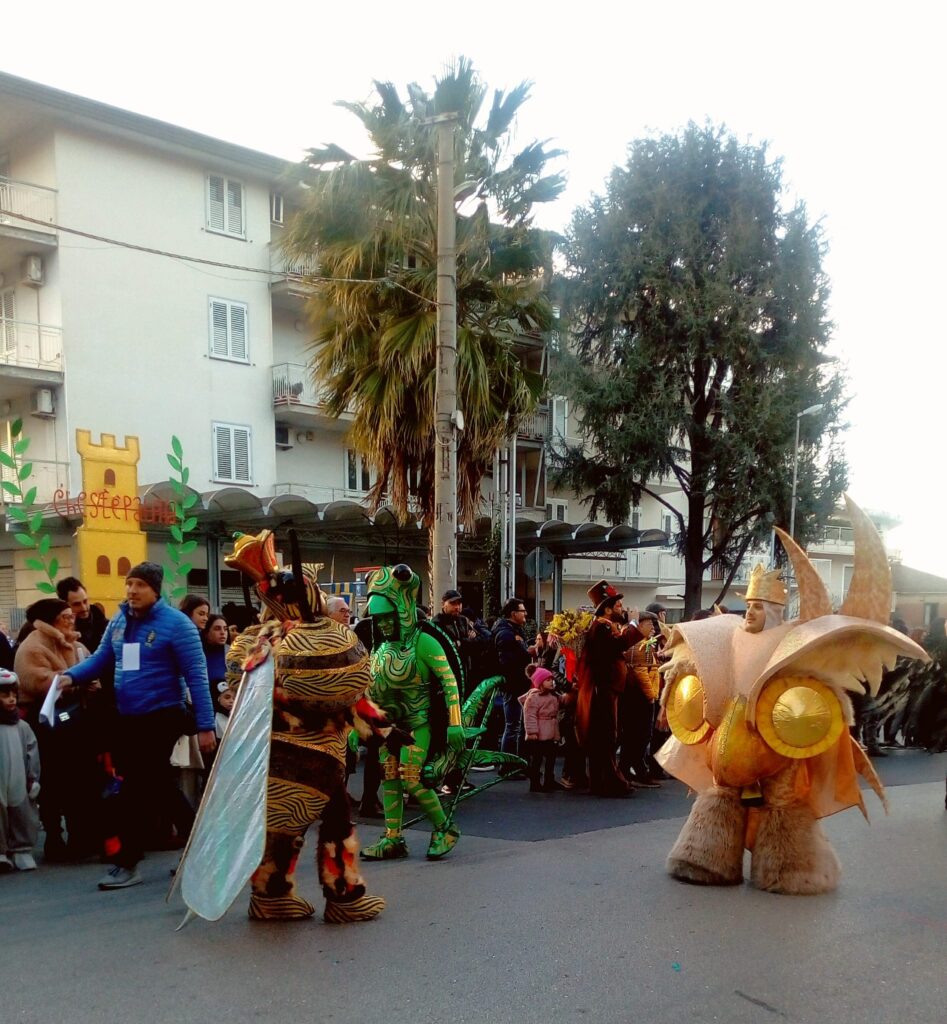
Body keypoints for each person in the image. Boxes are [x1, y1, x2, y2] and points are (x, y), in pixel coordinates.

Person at [61, 562, 215, 891]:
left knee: (135, 787)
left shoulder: (177, 625)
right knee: (158, 784)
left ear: (155, 590)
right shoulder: (119, 621)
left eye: (139, 585)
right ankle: (201, 848)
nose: (132, 591)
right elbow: (101, 658)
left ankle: (128, 862)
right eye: (129, 584)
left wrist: (205, 726)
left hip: (163, 715)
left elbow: (197, 677)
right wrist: (70, 676)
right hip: (128, 716)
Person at [13, 598, 93, 861]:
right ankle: (55, 839)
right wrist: (75, 680)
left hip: (76, 719)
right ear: (50, 620)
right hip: (45, 721)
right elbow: (37, 680)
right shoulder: (33, 646)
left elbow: (92, 669)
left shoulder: (76, 644)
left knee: (79, 781)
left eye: (72, 615)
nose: (72, 619)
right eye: (65, 616)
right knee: (53, 781)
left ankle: (80, 837)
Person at [575, 580, 638, 798]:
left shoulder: (603, 625)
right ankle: (609, 782)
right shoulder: (601, 627)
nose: (623, 608)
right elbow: (613, 648)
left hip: (607, 690)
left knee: (605, 737)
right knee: (605, 737)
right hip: (602, 691)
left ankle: (602, 781)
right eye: (618, 606)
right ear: (608, 608)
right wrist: (635, 628)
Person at [0, 670, 40, 872]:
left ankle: (22, 848)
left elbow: (31, 752)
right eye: (5, 695)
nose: (11, 700)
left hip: (18, 777)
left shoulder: (22, 727)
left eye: (13, 695)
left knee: (21, 809)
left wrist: (33, 779)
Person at [620, 610, 661, 787]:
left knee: (638, 736)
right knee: (638, 736)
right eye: (649, 624)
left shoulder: (644, 643)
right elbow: (641, 671)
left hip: (641, 696)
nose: (653, 628)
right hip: (640, 698)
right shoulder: (638, 645)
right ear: (641, 624)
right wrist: (652, 695)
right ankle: (633, 771)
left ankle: (633, 770)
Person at [492, 597, 535, 765]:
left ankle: (514, 764)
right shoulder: (506, 633)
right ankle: (507, 765)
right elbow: (507, 662)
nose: (525, 614)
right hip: (513, 685)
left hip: (518, 684)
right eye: (522, 611)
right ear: (513, 613)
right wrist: (527, 653)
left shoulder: (514, 629)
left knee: (516, 726)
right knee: (512, 726)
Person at [519, 666, 564, 792]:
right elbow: (529, 716)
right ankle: (535, 782)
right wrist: (532, 732)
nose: (551, 682)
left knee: (551, 758)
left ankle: (549, 780)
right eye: (547, 680)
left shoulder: (554, 696)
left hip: (551, 732)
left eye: (551, 679)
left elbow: (562, 701)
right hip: (539, 735)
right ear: (540, 682)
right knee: (537, 759)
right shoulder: (533, 698)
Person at [56, 577, 109, 653]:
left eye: (85, 601)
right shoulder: (59, 629)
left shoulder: (98, 616)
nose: (84, 608)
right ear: (64, 605)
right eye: (76, 604)